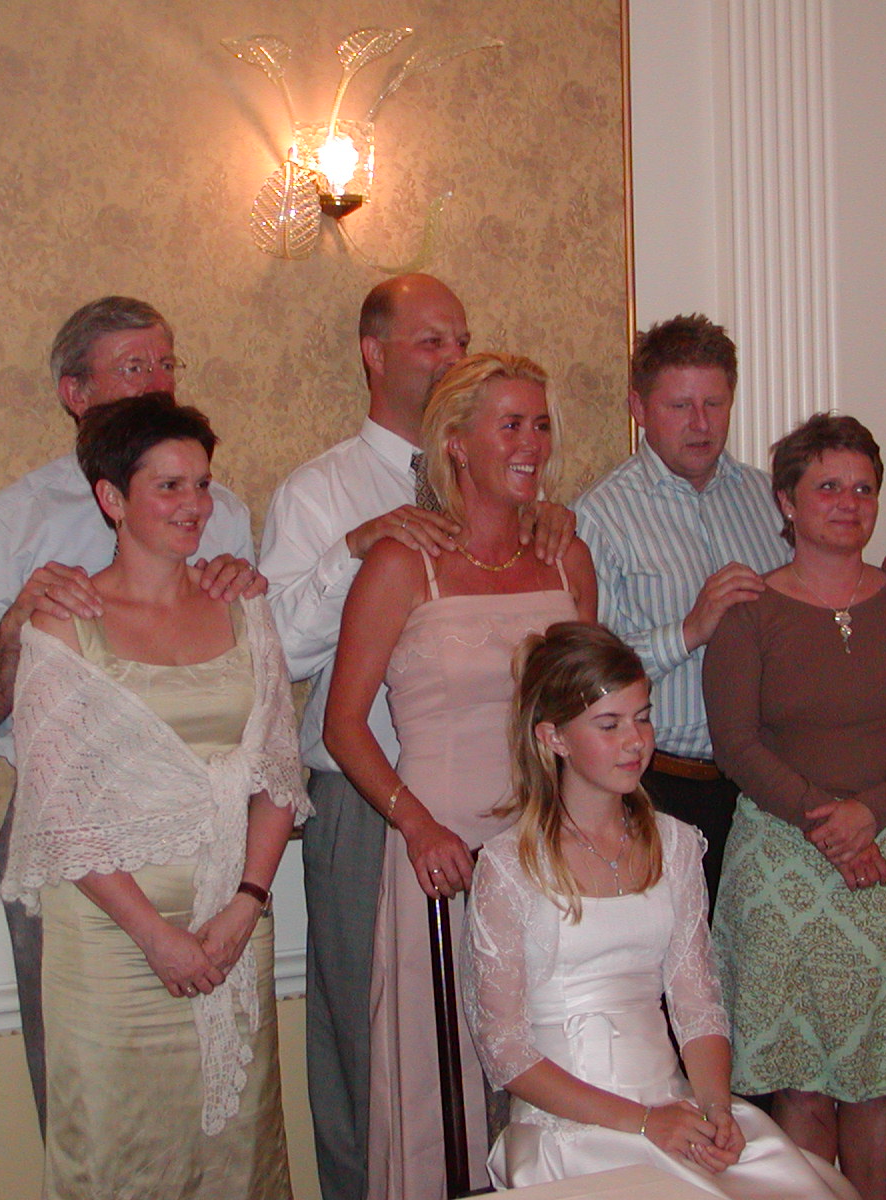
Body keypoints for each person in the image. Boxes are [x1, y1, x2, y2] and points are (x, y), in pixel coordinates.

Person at [259, 274, 572, 1200]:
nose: (450, 356)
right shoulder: (323, 491)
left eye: (461, 340)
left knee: (522, 1039)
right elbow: (278, 652)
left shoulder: (534, 523)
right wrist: (355, 549)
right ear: (375, 354)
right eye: (432, 341)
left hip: (525, 816)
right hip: (377, 807)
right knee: (379, 1048)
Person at [0, 295, 259, 1124]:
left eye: (166, 363)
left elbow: (257, 696)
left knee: (218, 1094)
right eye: (132, 367)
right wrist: (16, 626)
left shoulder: (220, 511)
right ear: (73, 393)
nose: (156, 382)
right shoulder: (11, 524)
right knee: (94, 1099)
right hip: (73, 833)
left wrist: (243, 590)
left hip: (209, 840)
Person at [0, 395, 309, 1199]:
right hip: (112, 942)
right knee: (117, 1152)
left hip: (231, 925)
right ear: (112, 498)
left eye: (202, 484)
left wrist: (247, 904)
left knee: (235, 1154)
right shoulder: (63, 624)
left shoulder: (244, 606)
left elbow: (277, 775)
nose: (194, 505)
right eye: (168, 486)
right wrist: (155, 937)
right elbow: (60, 812)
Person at [322, 351, 598, 1200]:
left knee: (555, 1063)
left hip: (551, 851)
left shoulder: (566, 558)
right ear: (454, 442)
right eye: (509, 425)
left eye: (540, 424)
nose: (532, 443)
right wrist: (415, 824)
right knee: (441, 1080)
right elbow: (342, 726)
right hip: (441, 853)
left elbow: (593, 716)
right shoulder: (402, 563)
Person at [462, 621, 859, 1200]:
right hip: (572, 1127)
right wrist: (646, 1123)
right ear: (554, 738)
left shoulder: (674, 845)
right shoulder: (509, 866)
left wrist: (716, 1109)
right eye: (610, 724)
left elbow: (697, 1003)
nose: (636, 741)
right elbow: (505, 1051)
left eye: (643, 718)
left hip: (674, 1105)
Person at [575, 315, 886, 914]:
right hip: (653, 784)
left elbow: (825, 591)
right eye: (679, 406)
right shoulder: (600, 516)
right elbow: (585, 681)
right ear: (638, 408)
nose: (701, 423)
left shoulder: (767, 496)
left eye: (714, 404)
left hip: (770, 796)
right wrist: (688, 631)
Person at [703, 413, 886, 1200]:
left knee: (878, 1076)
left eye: (863, 488)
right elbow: (736, 744)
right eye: (828, 487)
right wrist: (831, 822)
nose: (848, 503)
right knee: (802, 1080)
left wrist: (868, 815)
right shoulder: (748, 610)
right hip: (783, 861)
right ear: (786, 501)